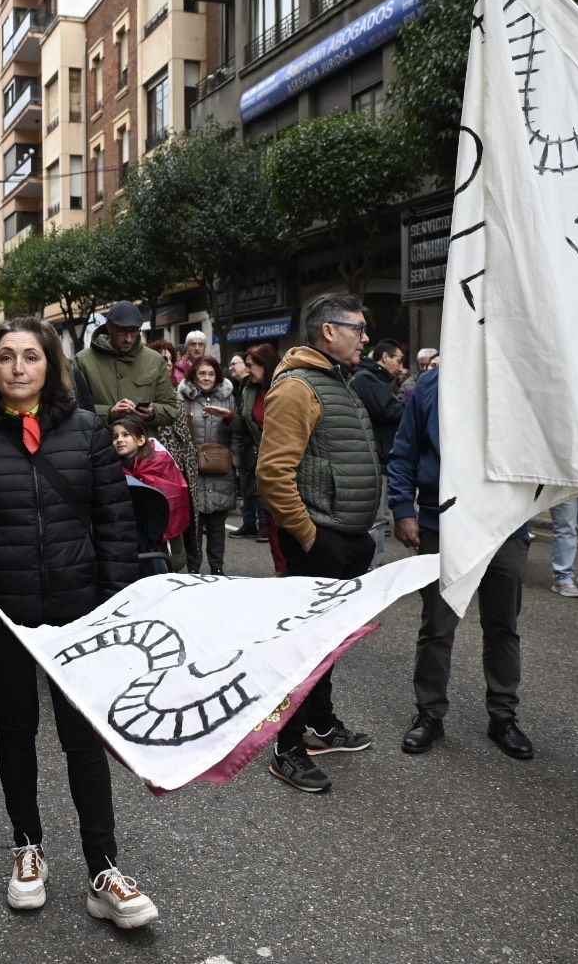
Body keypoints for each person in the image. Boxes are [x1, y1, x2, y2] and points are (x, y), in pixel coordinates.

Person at [0, 317, 157, 928]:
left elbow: (115, 524)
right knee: (16, 727)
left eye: (31, 356)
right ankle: (28, 848)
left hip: (80, 613)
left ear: (51, 366)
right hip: (1, 612)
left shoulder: (86, 433)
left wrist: (114, 604)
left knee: (84, 739)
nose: (19, 367)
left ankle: (104, 869)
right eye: (6, 357)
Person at [258, 294, 379, 793]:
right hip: (319, 541)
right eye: (359, 328)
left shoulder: (338, 382)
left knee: (327, 643)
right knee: (303, 648)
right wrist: (311, 538)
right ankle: (287, 749)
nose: (366, 337)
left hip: (346, 537)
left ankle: (322, 726)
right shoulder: (298, 388)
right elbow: (272, 475)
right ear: (329, 331)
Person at [389, 364, 534, 761]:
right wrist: (403, 509)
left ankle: (503, 717)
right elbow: (404, 451)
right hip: (444, 524)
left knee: (503, 626)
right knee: (437, 625)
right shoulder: (430, 386)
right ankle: (429, 715)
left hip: (505, 524)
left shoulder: (520, 377)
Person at [350, 337, 409, 568]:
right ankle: (372, 571)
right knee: (376, 521)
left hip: (377, 455)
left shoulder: (372, 378)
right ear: (385, 357)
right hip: (375, 457)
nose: (401, 366)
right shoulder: (366, 379)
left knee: (378, 520)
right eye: (399, 359)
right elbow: (391, 410)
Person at [76, 301, 180, 429]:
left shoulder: (155, 360)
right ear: (109, 327)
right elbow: (75, 409)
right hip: (101, 444)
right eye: (122, 332)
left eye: (134, 332)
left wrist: (152, 412)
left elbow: (171, 409)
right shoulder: (83, 361)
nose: (128, 339)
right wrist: (109, 412)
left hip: (143, 444)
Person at [177, 356, 237, 575]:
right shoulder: (183, 397)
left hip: (221, 470)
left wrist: (235, 459)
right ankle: (193, 569)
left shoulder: (228, 398)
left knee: (217, 526)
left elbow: (237, 433)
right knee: (193, 526)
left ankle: (217, 569)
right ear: (194, 374)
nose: (207, 378)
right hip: (192, 470)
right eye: (202, 373)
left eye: (211, 373)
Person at [111, 415, 192, 564]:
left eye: (125, 434)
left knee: (168, 568)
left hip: (163, 532)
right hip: (134, 534)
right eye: (115, 437)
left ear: (141, 440)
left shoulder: (159, 461)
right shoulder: (113, 468)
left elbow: (174, 495)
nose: (119, 440)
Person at [233, 342, 279, 549]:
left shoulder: (285, 388)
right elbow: (245, 426)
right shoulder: (249, 390)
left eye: (251, 365)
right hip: (263, 463)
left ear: (265, 365)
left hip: (287, 462)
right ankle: (281, 570)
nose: (247, 370)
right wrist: (229, 418)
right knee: (270, 520)